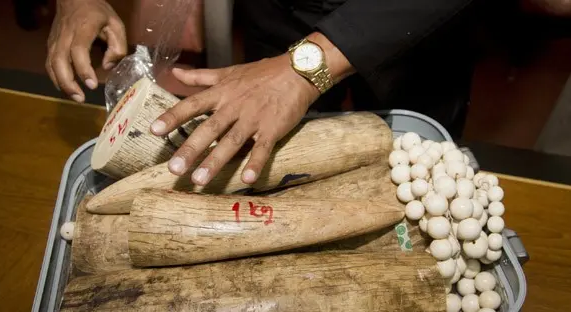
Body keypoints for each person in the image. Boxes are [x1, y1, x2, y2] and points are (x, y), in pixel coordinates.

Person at [47, 0, 489, 187]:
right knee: (270, 162)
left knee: (413, 157)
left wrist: (302, 68)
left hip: (406, 24)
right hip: (280, 10)